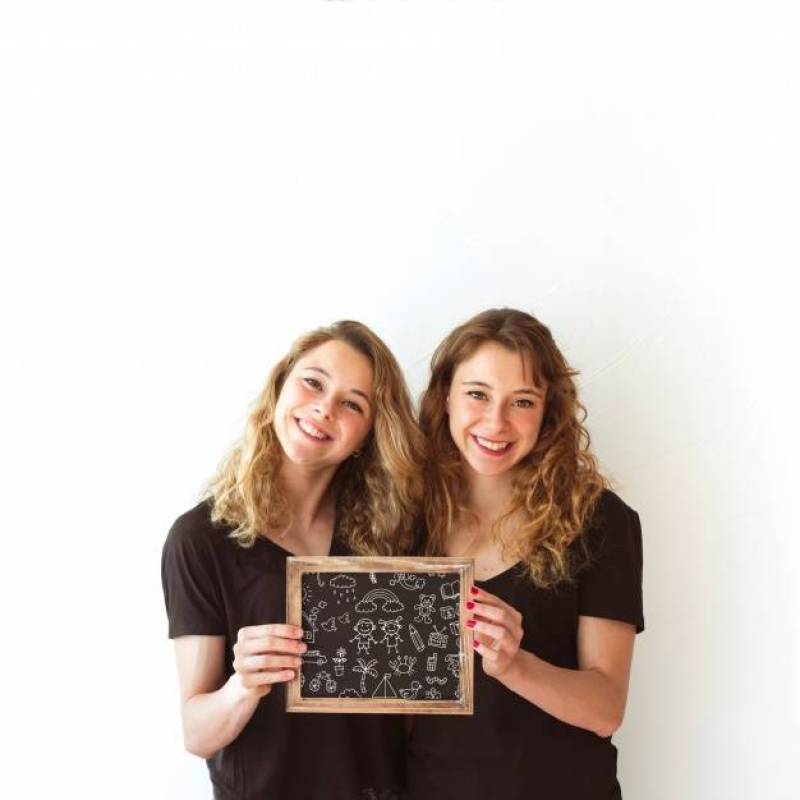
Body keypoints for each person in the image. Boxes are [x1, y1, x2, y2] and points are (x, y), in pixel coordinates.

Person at [162, 320, 424, 800]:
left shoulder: (392, 536)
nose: (324, 408)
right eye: (313, 382)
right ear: (279, 386)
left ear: (367, 435)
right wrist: (243, 685)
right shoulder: (201, 539)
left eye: (353, 404)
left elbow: (410, 710)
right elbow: (197, 734)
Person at [408, 308, 644, 800]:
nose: (496, 422)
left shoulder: (599, 520)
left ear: (547, 411)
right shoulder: (403, 516)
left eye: (522, 401)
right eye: (477, 394)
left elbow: (606, 710)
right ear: (445, 396)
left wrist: (515, 665)